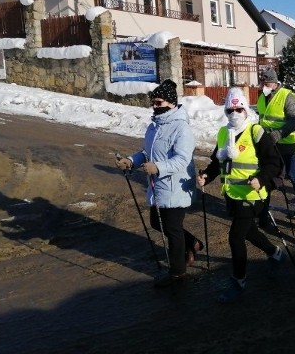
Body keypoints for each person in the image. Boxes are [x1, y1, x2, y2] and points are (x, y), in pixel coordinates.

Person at [197, 87, 284, 302]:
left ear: (245, 109)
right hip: (232, 194)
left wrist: (261, 179)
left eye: (238, 109)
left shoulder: (256, 132)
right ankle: (275, 253)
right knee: (249, 232)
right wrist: (207, 176)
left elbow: (275, 163)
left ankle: (239, 280)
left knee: (235, 237)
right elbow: (218, 163)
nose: (234, 113)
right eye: (230, 110)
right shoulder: (224, 133)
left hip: (253, 195)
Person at [115, 79, 202, 287]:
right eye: (153, 103)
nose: (155, 106)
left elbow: (182, 159)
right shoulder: (154, 126)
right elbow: (148, 153)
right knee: (157, 222)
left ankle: (177, 273)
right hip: (158, 187)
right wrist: (131, 161)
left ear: (171, 103)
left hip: (175, 186)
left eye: (159, 102)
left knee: (172, 230)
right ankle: (193, 243)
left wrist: (159, 167)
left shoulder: (181, 128)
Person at [257, 67, 295, 219]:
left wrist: (279, 133)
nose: (263, 86)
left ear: (274, 82)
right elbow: (262, 119)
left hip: (285, 143)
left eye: (266, 83)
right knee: (266, 174)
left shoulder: (287, 96)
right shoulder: (262, 98)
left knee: (292, 175)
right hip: (267, 143)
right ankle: (263, 208)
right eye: (262, 83)